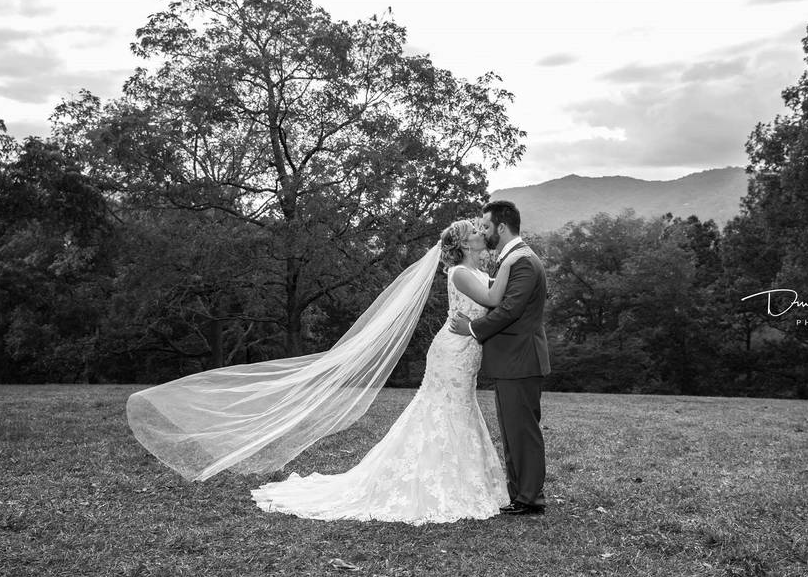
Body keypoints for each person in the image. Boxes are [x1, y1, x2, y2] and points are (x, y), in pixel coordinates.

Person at [127, 217, 525, 525]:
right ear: (463, 244)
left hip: (466, 350)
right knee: (442, 410)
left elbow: (496, 297)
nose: (480, 233)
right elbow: (493, 297)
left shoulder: (475, 270)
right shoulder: (459, 273)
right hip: (452, 352)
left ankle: (461, 475)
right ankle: (438, 481)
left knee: (458, 409)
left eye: (480, 228)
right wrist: (513, 257)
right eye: (475, 230)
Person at [450, 200, 550, 516]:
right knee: (512, 428)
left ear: (502, 227)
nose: (484, 231)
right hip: (513, 360)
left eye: (487, 225)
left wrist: (472, 329)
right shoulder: (512, 259)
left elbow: (509, 310)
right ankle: (520, 493)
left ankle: (529, 498)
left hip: (520, 359)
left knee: (522, 429)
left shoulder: (522, 261)